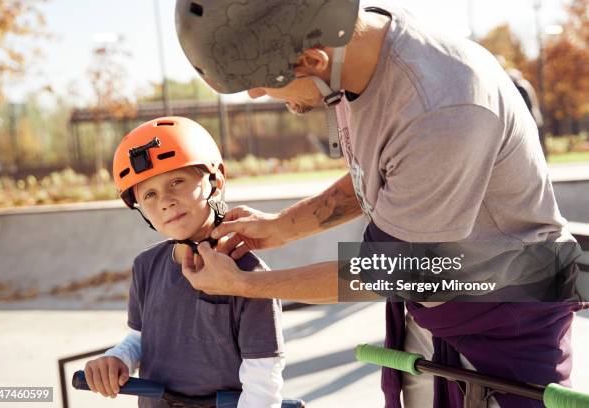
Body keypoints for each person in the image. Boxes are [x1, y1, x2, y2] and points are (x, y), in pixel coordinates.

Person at [174, 1, 587, 407]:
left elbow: (388, 272)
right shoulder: (365, 52)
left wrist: (247, 287)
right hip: (440, 297)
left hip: (507, 318)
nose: (257, 92)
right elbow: (386, 173)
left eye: (261, 80)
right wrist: (283, 227)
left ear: (312, 59)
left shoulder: (440, 107)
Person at [82, 117, 285, 408]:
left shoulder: (250, 275)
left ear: (216, 181)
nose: (165, 201)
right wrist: (118, 357)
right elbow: (142, 337)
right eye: (150, 194)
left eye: (177, 182)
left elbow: (263, 379)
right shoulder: (146, 266)